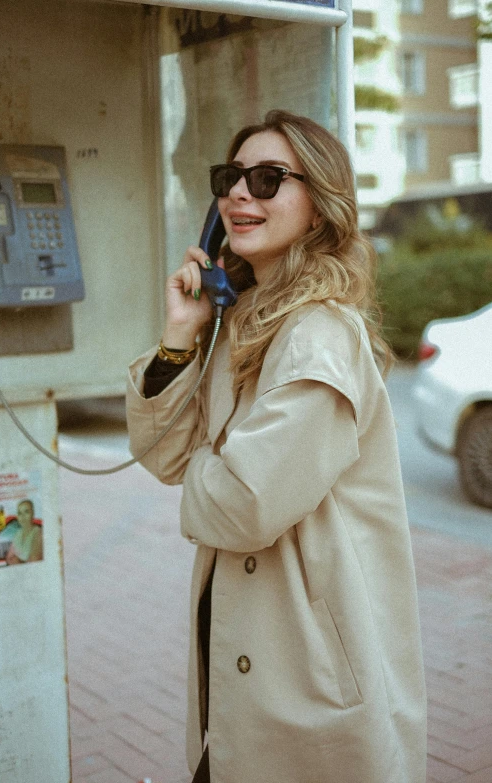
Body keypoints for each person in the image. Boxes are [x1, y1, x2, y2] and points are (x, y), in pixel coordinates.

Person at [126, 110, 427, 783]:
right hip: (245, 648)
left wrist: (218, 467)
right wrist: (182, 336)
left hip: (306, 662)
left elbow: (243, 505)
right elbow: (165, 456)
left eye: (267, 179)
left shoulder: (319, 335)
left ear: (318, 208)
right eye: (230, 177)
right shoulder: (246, 324)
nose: (239, 194)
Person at [5, 499, 43, 565]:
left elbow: (34, 561)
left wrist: (17, 561)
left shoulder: (38, 532)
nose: (22, 516)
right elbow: (9, 558)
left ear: (33, 513)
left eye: (26, 512)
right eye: (19, 513)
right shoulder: (18, 533)